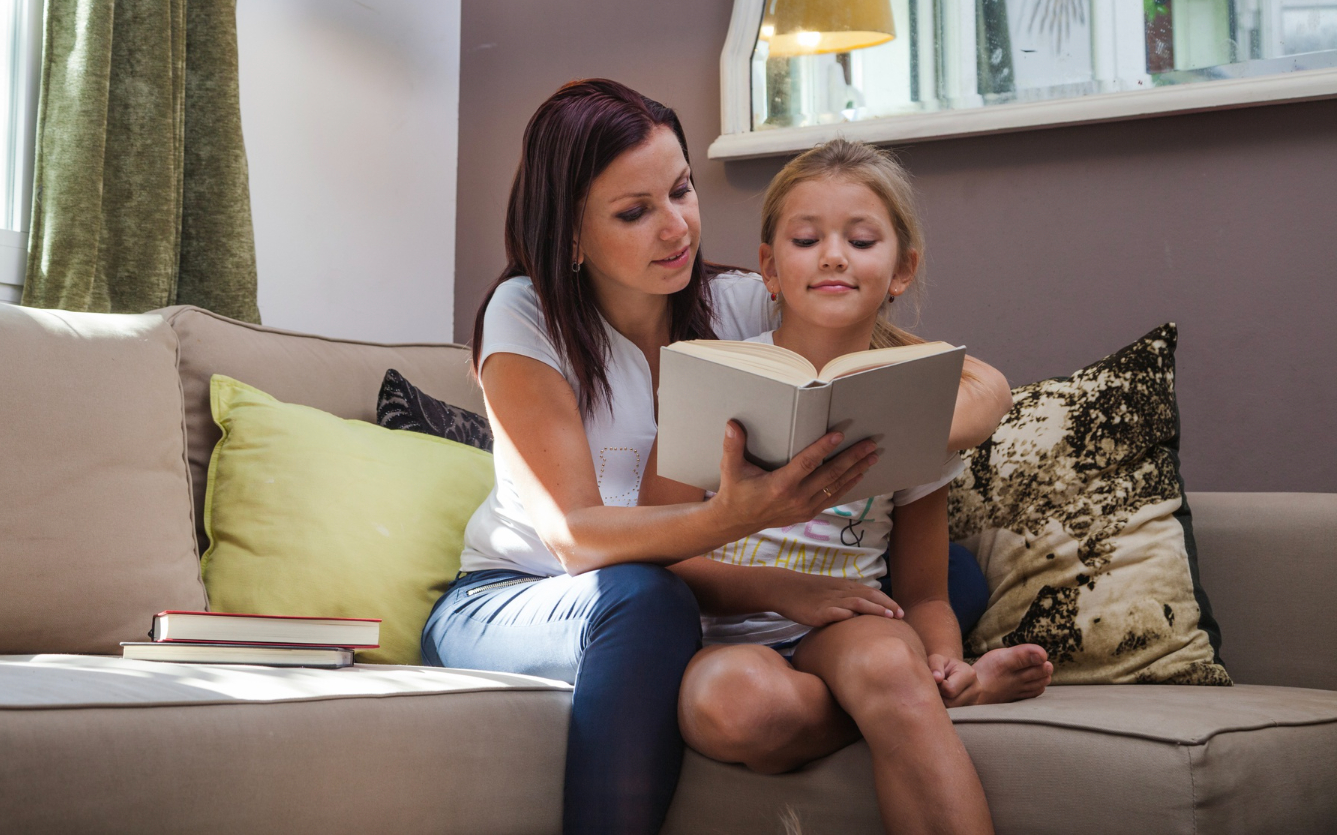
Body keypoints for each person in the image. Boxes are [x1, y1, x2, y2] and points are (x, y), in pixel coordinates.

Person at [421, 80, 1014, 835]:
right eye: (635, 213)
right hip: (530, 591)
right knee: (645, 599)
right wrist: (749, 538)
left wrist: (930, 428)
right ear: (570, 235)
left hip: (706, 595)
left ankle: (913, 685)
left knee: (947, 574)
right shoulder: (526, 314)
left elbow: (946, 368)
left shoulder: (736, 301)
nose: (676, 230)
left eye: (681, 192)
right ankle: (907, 691)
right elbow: (577, 537)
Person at [651, 139, 1052, 835]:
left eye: (861, 240)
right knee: (737, 705)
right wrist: (785, 592)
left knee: (890, 670)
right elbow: (659, 552)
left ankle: (923, 693)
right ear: (770, 268)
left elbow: (923, 590)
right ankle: (935, 700)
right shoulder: (711, 380)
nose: (834, 255)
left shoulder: (920, 401)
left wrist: (945, 659)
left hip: (852, 631)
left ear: (902, 269)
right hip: (726, 633)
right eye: (807, 239)